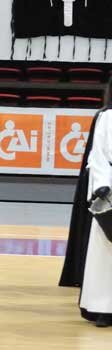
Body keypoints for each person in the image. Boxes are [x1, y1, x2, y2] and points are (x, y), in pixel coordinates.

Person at [79, 88, 112, 328]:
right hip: (111, 186)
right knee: (105, 248)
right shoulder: (107, 117)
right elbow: (97, 154)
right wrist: (102, 185)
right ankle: (104, 306)